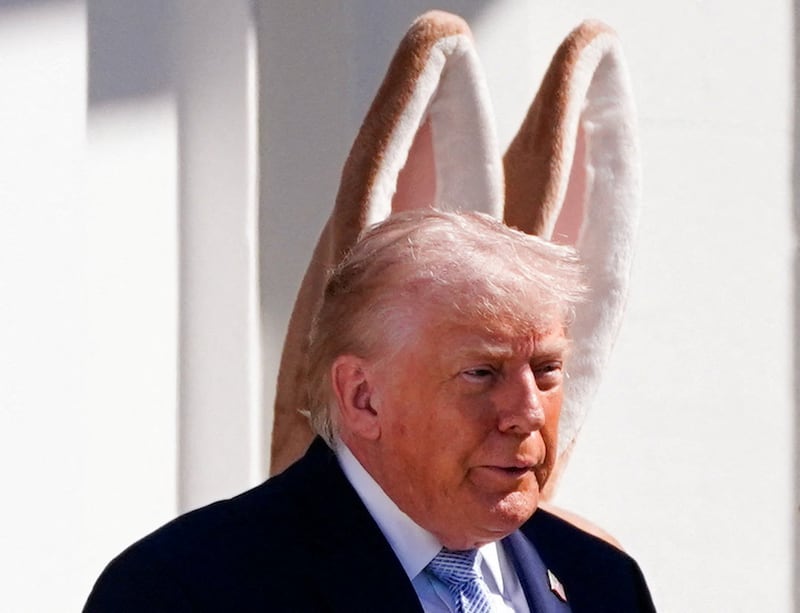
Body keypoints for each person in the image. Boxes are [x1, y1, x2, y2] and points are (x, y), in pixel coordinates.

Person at [84, 210, 656, 612]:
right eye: (482, 373)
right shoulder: (185, 590)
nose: (527, 412)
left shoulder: (602, 582)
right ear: (362, 397)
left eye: (547, 370)